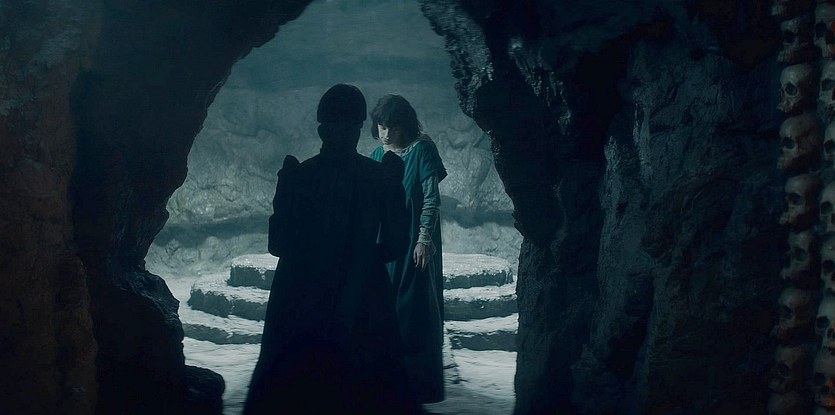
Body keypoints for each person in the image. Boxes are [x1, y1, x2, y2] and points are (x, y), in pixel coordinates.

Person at [244, 84, 419, 414]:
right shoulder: (378, 177)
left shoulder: (300, 176)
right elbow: (396, 244)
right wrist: (365, 257)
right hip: (362, 300)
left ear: (321, 129)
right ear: (358, 129)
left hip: (301, 299)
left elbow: (277, 244)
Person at [369, 94, 448, 404]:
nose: (386, 133)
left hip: (415, 243)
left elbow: (431, 198)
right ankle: (386, 385)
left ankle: (418, 386)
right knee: (383, 308)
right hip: (386, 244)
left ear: (405, 126)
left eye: (392, 127)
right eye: (381, 126)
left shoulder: (422, 150)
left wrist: (424, 239)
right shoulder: (377, 154)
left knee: (414, 311)